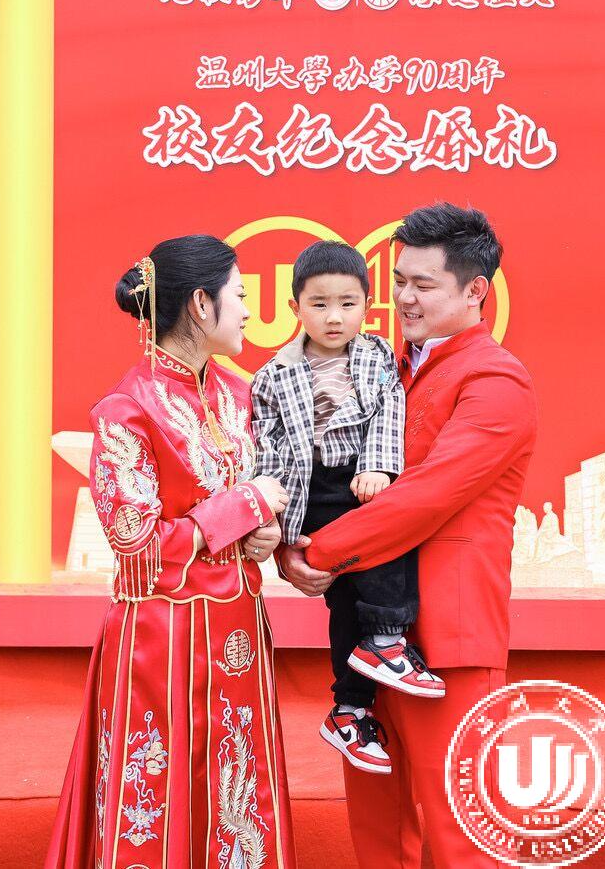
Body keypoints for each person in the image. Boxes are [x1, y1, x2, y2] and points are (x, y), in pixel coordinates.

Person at [278, 203, 538, 869]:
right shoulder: (374, 368)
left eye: (424, 284)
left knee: (462, 835)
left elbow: (426, 497)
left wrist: (316, 552)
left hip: (447, 640)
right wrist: (284, 536)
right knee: (377, 830)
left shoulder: (495, 379)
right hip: (369, 636)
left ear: (475, 290)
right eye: (398, 280)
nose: (403, 298)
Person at [46, 234, 298, 869]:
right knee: (159, 801)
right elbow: (136, 547)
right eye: (240, 295)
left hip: (238, 632)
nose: (249, 311)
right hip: (162, 640)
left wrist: (264, 533)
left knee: (239, 795)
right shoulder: (125, 410)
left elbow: (254, 508)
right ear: (200, 305)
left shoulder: (238, 395)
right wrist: (242, 507)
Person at [250, 241, 443, 778]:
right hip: (310, 490)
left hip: (361, 479)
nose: (333, 317)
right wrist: (279, 521)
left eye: (347, 303)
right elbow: (269, 449)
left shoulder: (377, 355)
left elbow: (388, 410)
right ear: (295, 308)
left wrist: (378, 467)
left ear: (367, 306)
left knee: (377, 565)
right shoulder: (273, 374)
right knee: (345, 595)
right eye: (319, 304)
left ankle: (364, 684)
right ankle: (360, 689)